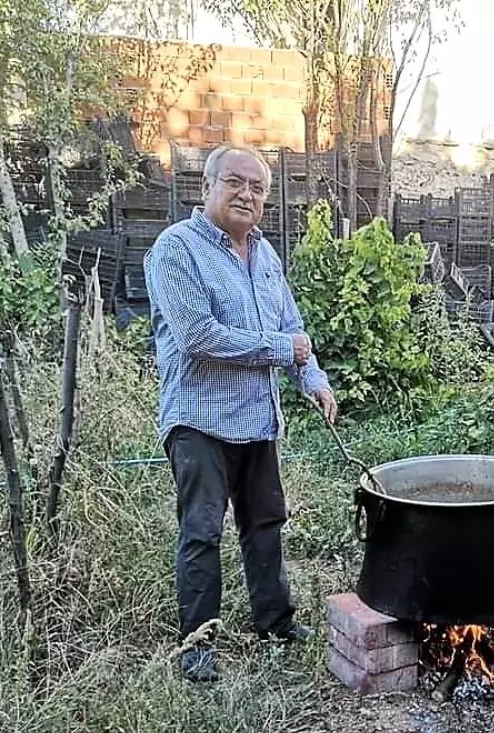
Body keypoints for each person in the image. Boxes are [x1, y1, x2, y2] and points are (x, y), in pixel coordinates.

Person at [144, 145, 338, 682]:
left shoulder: (266, 255)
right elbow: (198, 337)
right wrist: (284, 351)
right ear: (207, 186)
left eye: (257, 188)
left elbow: (294, 329)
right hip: (199, 419)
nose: (246, 194)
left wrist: (313, 380)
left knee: (265, 523)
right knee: (203, 529)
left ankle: (274, 623)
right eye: (234, 182)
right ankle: (199, 644)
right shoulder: (176, 249)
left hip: (257, 419)